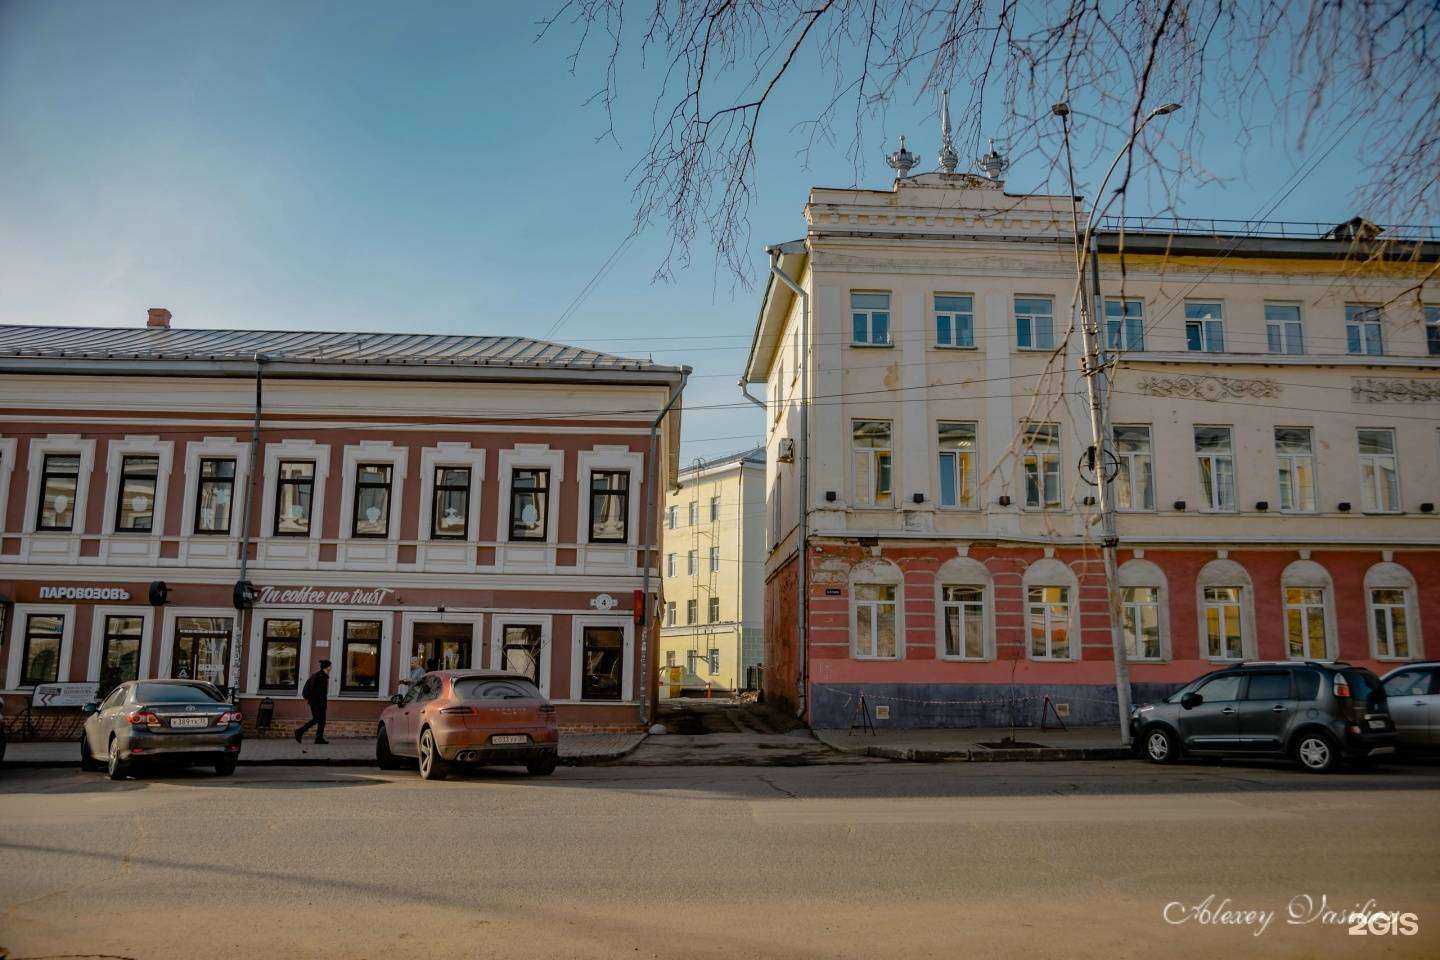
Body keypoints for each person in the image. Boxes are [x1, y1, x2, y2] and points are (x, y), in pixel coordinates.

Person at [294, 660, 331, 744]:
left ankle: (319, 738)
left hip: (317, 702)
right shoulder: (321, 676)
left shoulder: (320, 675)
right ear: (327, 667)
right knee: (317, 719)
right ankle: (299, 731)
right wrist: (321, 704)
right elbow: (318, 692)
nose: (331, 667)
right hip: (317, 703)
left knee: (321, 720)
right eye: (330, 666)